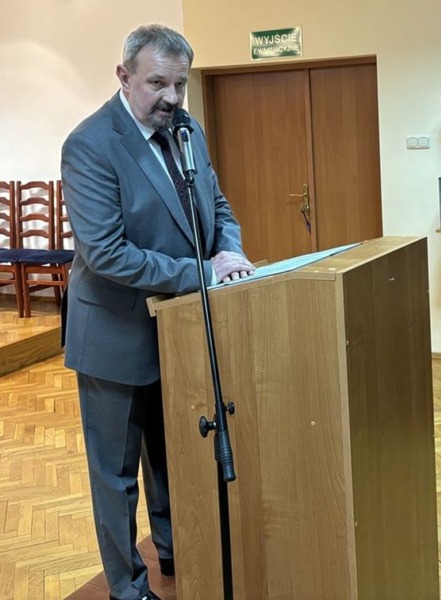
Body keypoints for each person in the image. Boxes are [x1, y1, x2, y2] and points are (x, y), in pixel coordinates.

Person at [60, 24, 255, 600]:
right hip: (114, 335)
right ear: (124, 76)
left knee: (172, 456)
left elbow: (217, 205)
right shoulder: (90, 144)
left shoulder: (186, 131)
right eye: (158, 84)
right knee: (117, 475)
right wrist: (203, 272)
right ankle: (127, 586)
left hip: (180, 329)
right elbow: (106, 253)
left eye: (180, 84)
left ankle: (174, 550)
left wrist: (231, 252)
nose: (172, 97)